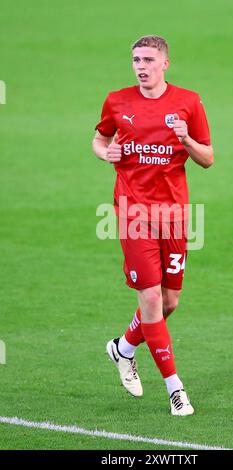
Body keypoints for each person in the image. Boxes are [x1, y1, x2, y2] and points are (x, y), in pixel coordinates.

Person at [92, 35, 213, 415]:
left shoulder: (189, 102)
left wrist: (187, 139)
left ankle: (123, 348)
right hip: (132, 213)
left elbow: (208, 158)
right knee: (150, 298)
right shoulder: (117, 100)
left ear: (165, 63)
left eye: (148, 59)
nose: (140, 66)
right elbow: (99, 139)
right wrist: (104, 152)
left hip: (174, 215)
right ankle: (175, 389)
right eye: (135, 60)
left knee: (170, 301)